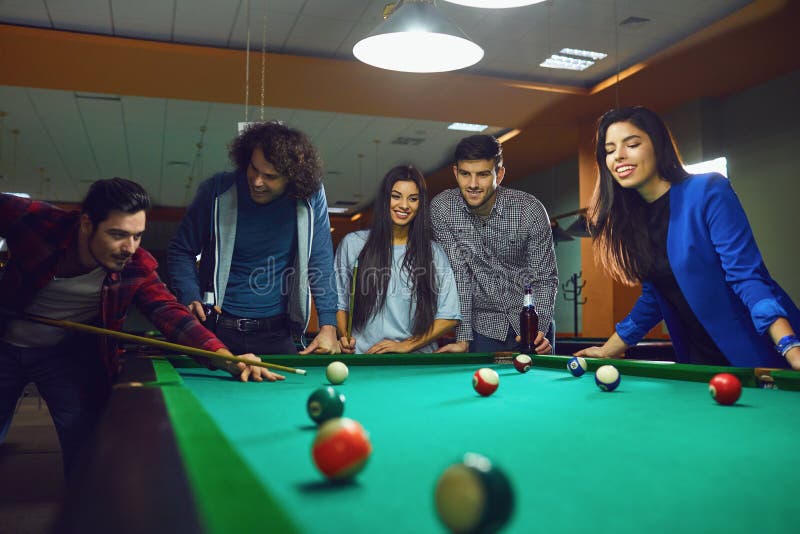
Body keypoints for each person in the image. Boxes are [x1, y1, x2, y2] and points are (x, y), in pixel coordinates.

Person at [0, 179, 276, 476]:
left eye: (137, 236)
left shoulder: (137, 267)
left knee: (84, 446)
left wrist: (227, 358)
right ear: (86, 224)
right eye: (118, 235)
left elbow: (172, 314)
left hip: (60, 355)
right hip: (4, 342)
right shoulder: (37, 220)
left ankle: (83, 517)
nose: (128, 248)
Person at [574, 106, 800, 369]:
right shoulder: (634, 222)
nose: (619, 157)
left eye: (632, 144)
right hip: (699, 364)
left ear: (658, 145)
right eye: (609, 150)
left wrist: (790, 346)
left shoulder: (708, 191)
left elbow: (746, 276)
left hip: (758, 355)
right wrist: (607, 351)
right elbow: (654, 297)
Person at [167, 121, 340, 356]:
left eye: (270, 176)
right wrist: (189, 294)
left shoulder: (310, 197)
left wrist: (328, 326)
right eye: (254, 169)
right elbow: (181, 250)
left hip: (277, 334)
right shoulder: (216, 190)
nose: (257, 181)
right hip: (216, 332)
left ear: (292, 178)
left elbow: (320, 259)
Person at [430, 134, 558, 354]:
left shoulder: (530, 211)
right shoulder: (443, 209)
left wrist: (539, 331)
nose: (472, 184)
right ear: (455, 173)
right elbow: (460, 275)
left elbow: (544, 278)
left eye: (482, 175)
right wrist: (463, 339)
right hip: (482, 331)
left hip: (531, 325)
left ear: (499, 174)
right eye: (465, 174)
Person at [335, 165, 460, 354]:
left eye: (413, 199)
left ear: (420, 204)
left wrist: (406, 345)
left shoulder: (433, 252)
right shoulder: (353, 244)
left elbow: (450, 315)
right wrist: (344, 338)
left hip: (416, 363)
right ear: (385, 199)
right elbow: (339, 303)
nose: (404, 205)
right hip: (364, 359)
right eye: (396, 196)